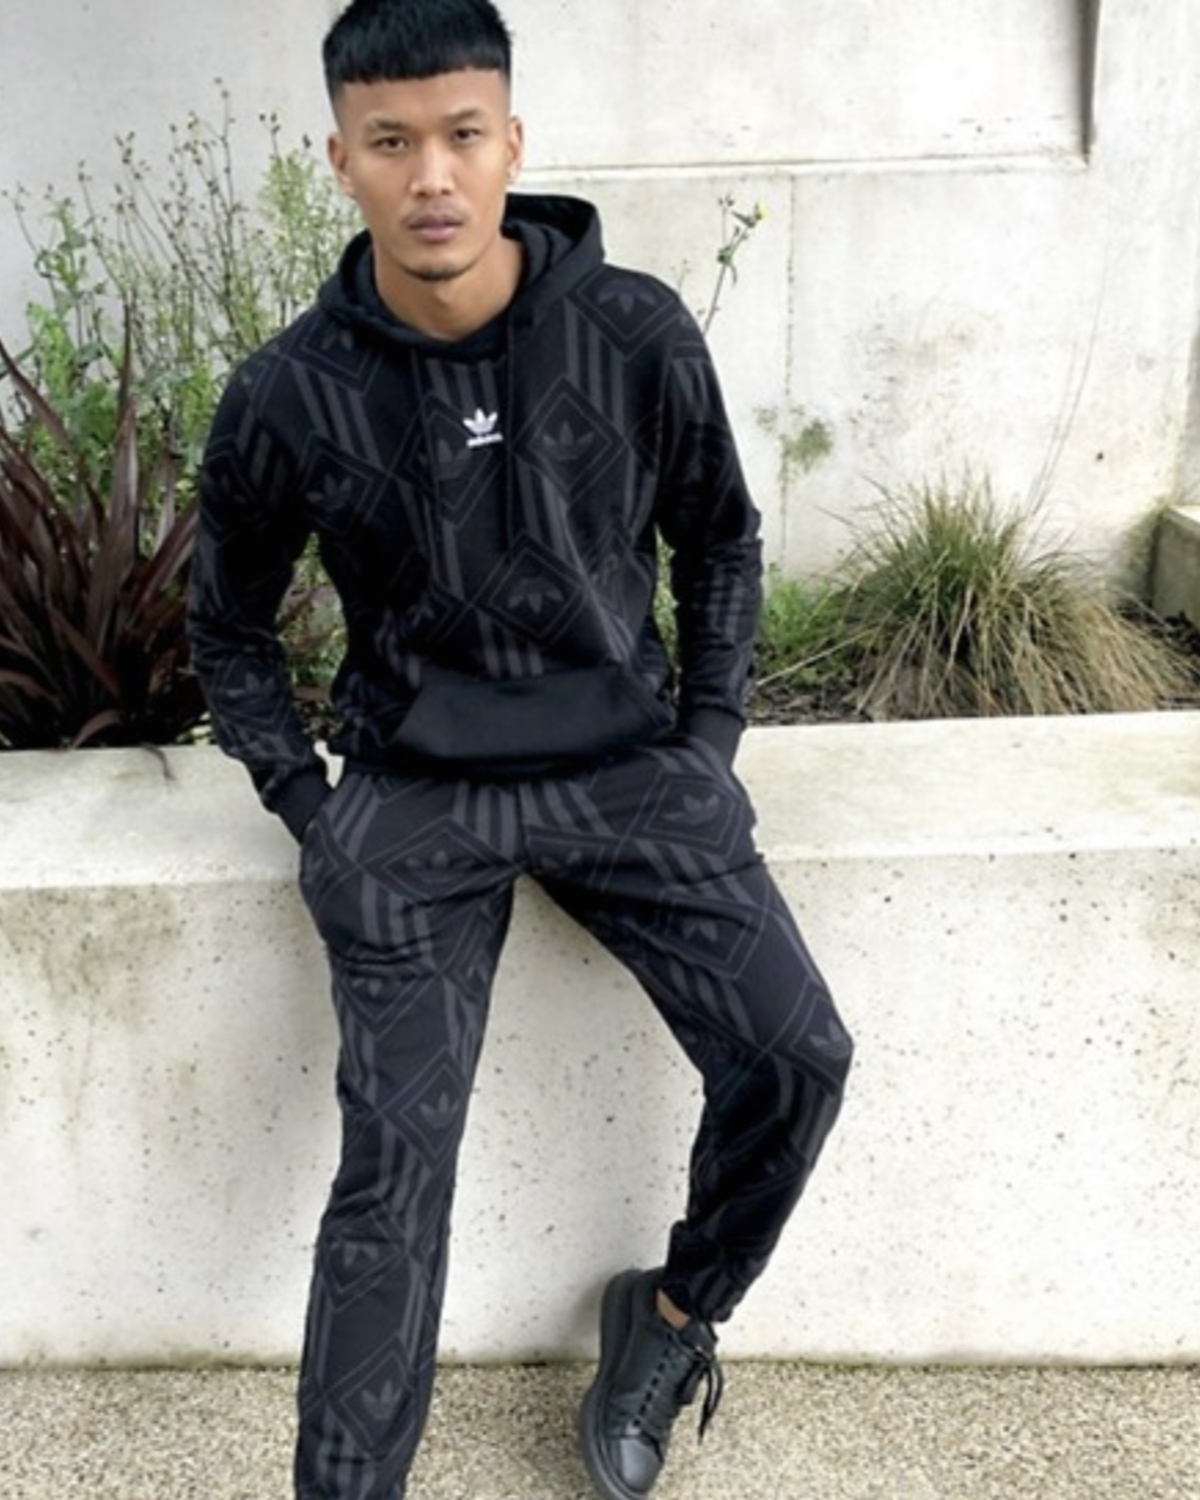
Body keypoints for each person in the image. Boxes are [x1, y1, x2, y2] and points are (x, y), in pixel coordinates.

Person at [187, 2, 853, 1496]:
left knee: (797, 1054)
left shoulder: (633, 332)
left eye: (461, 134)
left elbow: (722, 542)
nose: (431, 174)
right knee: (393, 1179)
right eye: (391, 141)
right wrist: (309, 808)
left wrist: (710, 744)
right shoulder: (290, 390)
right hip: (413, 800)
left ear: (512, 144)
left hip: (629, 773)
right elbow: (224, 626)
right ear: (342, 161)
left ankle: (670, 1317)